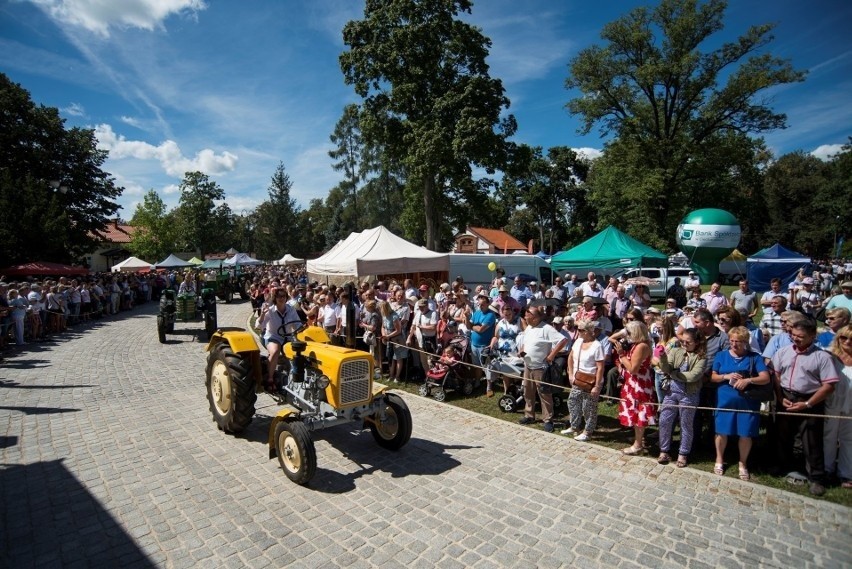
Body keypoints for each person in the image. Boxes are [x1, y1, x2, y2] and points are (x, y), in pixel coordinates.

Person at [772, 319, 840, 496]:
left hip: (810, 400)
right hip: (786, 397)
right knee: (782, 434)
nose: (796, 339)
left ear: (812, 336)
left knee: (811, 439)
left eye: (801, 337)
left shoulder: (822, 357)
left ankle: (816, 477)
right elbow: (777, 376)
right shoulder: (783, 352)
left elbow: (828, 386)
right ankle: (781, 465)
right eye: (793, 335)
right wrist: (780, 397)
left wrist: (808, 403)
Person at [710, 326, 771, 481]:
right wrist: (725, 376)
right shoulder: (721, 355)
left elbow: (765, 378)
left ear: (745, 342)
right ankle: (719, 459)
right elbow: (713, 377)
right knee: (721, 431)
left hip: (747, 402)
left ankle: (742, 463)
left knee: (745, 433)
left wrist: (748, 380)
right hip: (724, 400)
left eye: (738, 341)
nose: (734, 344)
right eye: (731, 341)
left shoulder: (754, 357)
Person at [655, 328, 707, 468]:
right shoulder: (676, 351)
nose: (684, 344)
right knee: (664, 420)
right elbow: (666, 369)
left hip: (689, 395)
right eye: (682, 341)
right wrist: (662, 358)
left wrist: (675, 375)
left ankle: (683, 453)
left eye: (688, 342)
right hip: (671, 392)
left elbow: (694, 376)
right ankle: (664, 450)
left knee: (686, 425)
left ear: (697, 342)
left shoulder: (701, 357)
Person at [517, 306, 568, 433]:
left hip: (541, 368)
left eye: (528, 315)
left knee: (545, 394)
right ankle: (529, 415)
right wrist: (522, 349)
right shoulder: (529, 327)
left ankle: (548, 419)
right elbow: (526, 341)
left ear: (535, 317)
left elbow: (563, 340)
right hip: (528, 366)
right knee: (528, 392)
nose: (525, 317)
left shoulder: (546, 328)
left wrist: (551, 355)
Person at [614, 320, 654, 454]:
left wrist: (621, 355)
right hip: (633, 383)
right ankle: (638, 440)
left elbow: (633, 369)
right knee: (635, 412)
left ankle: (638, 444)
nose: (627, 335)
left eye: (629, 332)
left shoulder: (641, 346)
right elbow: (612, 338)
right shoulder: (637, 344)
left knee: (639, 413)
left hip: (639, 384)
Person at [564, 320, 604, 441]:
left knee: (589, 407)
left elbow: (601, 367)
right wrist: (571, 374)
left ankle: (588, 431)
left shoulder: (597, 346)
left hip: (591, 381)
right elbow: (571, 357)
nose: (578, 332)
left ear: (588, 331)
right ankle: (575, 426)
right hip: (578, 378)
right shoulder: (578, 341)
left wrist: (597, 386)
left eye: (581, 330)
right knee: (572, 401)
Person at [825, 325, 852, 489]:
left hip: (851, 403)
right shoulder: (830, 355)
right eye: (844, 338)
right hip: (832, 401)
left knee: (849, 438)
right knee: (829, 435)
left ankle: (846, 472)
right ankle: (827, 468)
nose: (847, 342)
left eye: (851, 339)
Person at [263, 288, 302, 393]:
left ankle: (295, 377)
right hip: (273, 337)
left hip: (287, 337)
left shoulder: (291, 309)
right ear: (275, 298)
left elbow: (298, 324)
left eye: (283, 296)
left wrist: (302, 329)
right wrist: (262, 314)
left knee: (298, 352)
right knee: (275, 350)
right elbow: (259, 326)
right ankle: (270, 378)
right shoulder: (270, 310)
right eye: (279, 296)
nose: (281, 298)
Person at [487, 305, 521, 397]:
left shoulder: (519, 321)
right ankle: (506, 392)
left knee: (516, 375)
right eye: (505, 314)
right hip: (503, 353)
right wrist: (491, 344)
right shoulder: (500, 323)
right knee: (506, 374)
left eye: (509, 314)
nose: (507, 316)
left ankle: (516, 392)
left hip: (515, 353)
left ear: (513, 312)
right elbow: (496, 336)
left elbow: (526, 334)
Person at [467, 293, 497, 376]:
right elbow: (469, 326)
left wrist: (473, 326)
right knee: (477, 366)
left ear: (488, 304)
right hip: (474, 344)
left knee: (487, 367)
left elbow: (481, 330)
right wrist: (466, 317)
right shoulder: (477, 312)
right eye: (479, 304)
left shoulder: (490, 315)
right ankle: (478, 381)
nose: (480, 306)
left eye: (482, 304)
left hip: (484, 346)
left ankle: (489, 386)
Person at [379, 300, 407, 383]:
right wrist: (384, 334)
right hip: (388, 340)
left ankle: (397, 377)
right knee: (390, 358)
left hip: (397, 340)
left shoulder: (394, 316)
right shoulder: (384, 316)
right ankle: (391, 375)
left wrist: (388, 336)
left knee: (398, 358)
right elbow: (383, 327)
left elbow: (398, 330)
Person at [408, 298, 438, 373]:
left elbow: (433, 327)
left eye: (423, 306)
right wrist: (409, 337)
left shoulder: (433, 313)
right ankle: (427, 378)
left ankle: (434, 379)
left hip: (429, 342)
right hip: (420, 342)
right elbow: (413, 326)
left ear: (427, 305)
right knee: (424, 362)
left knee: (431, 362)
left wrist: (422, 327)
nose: (421, 308)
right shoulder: (418, 313)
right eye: (420, 307)